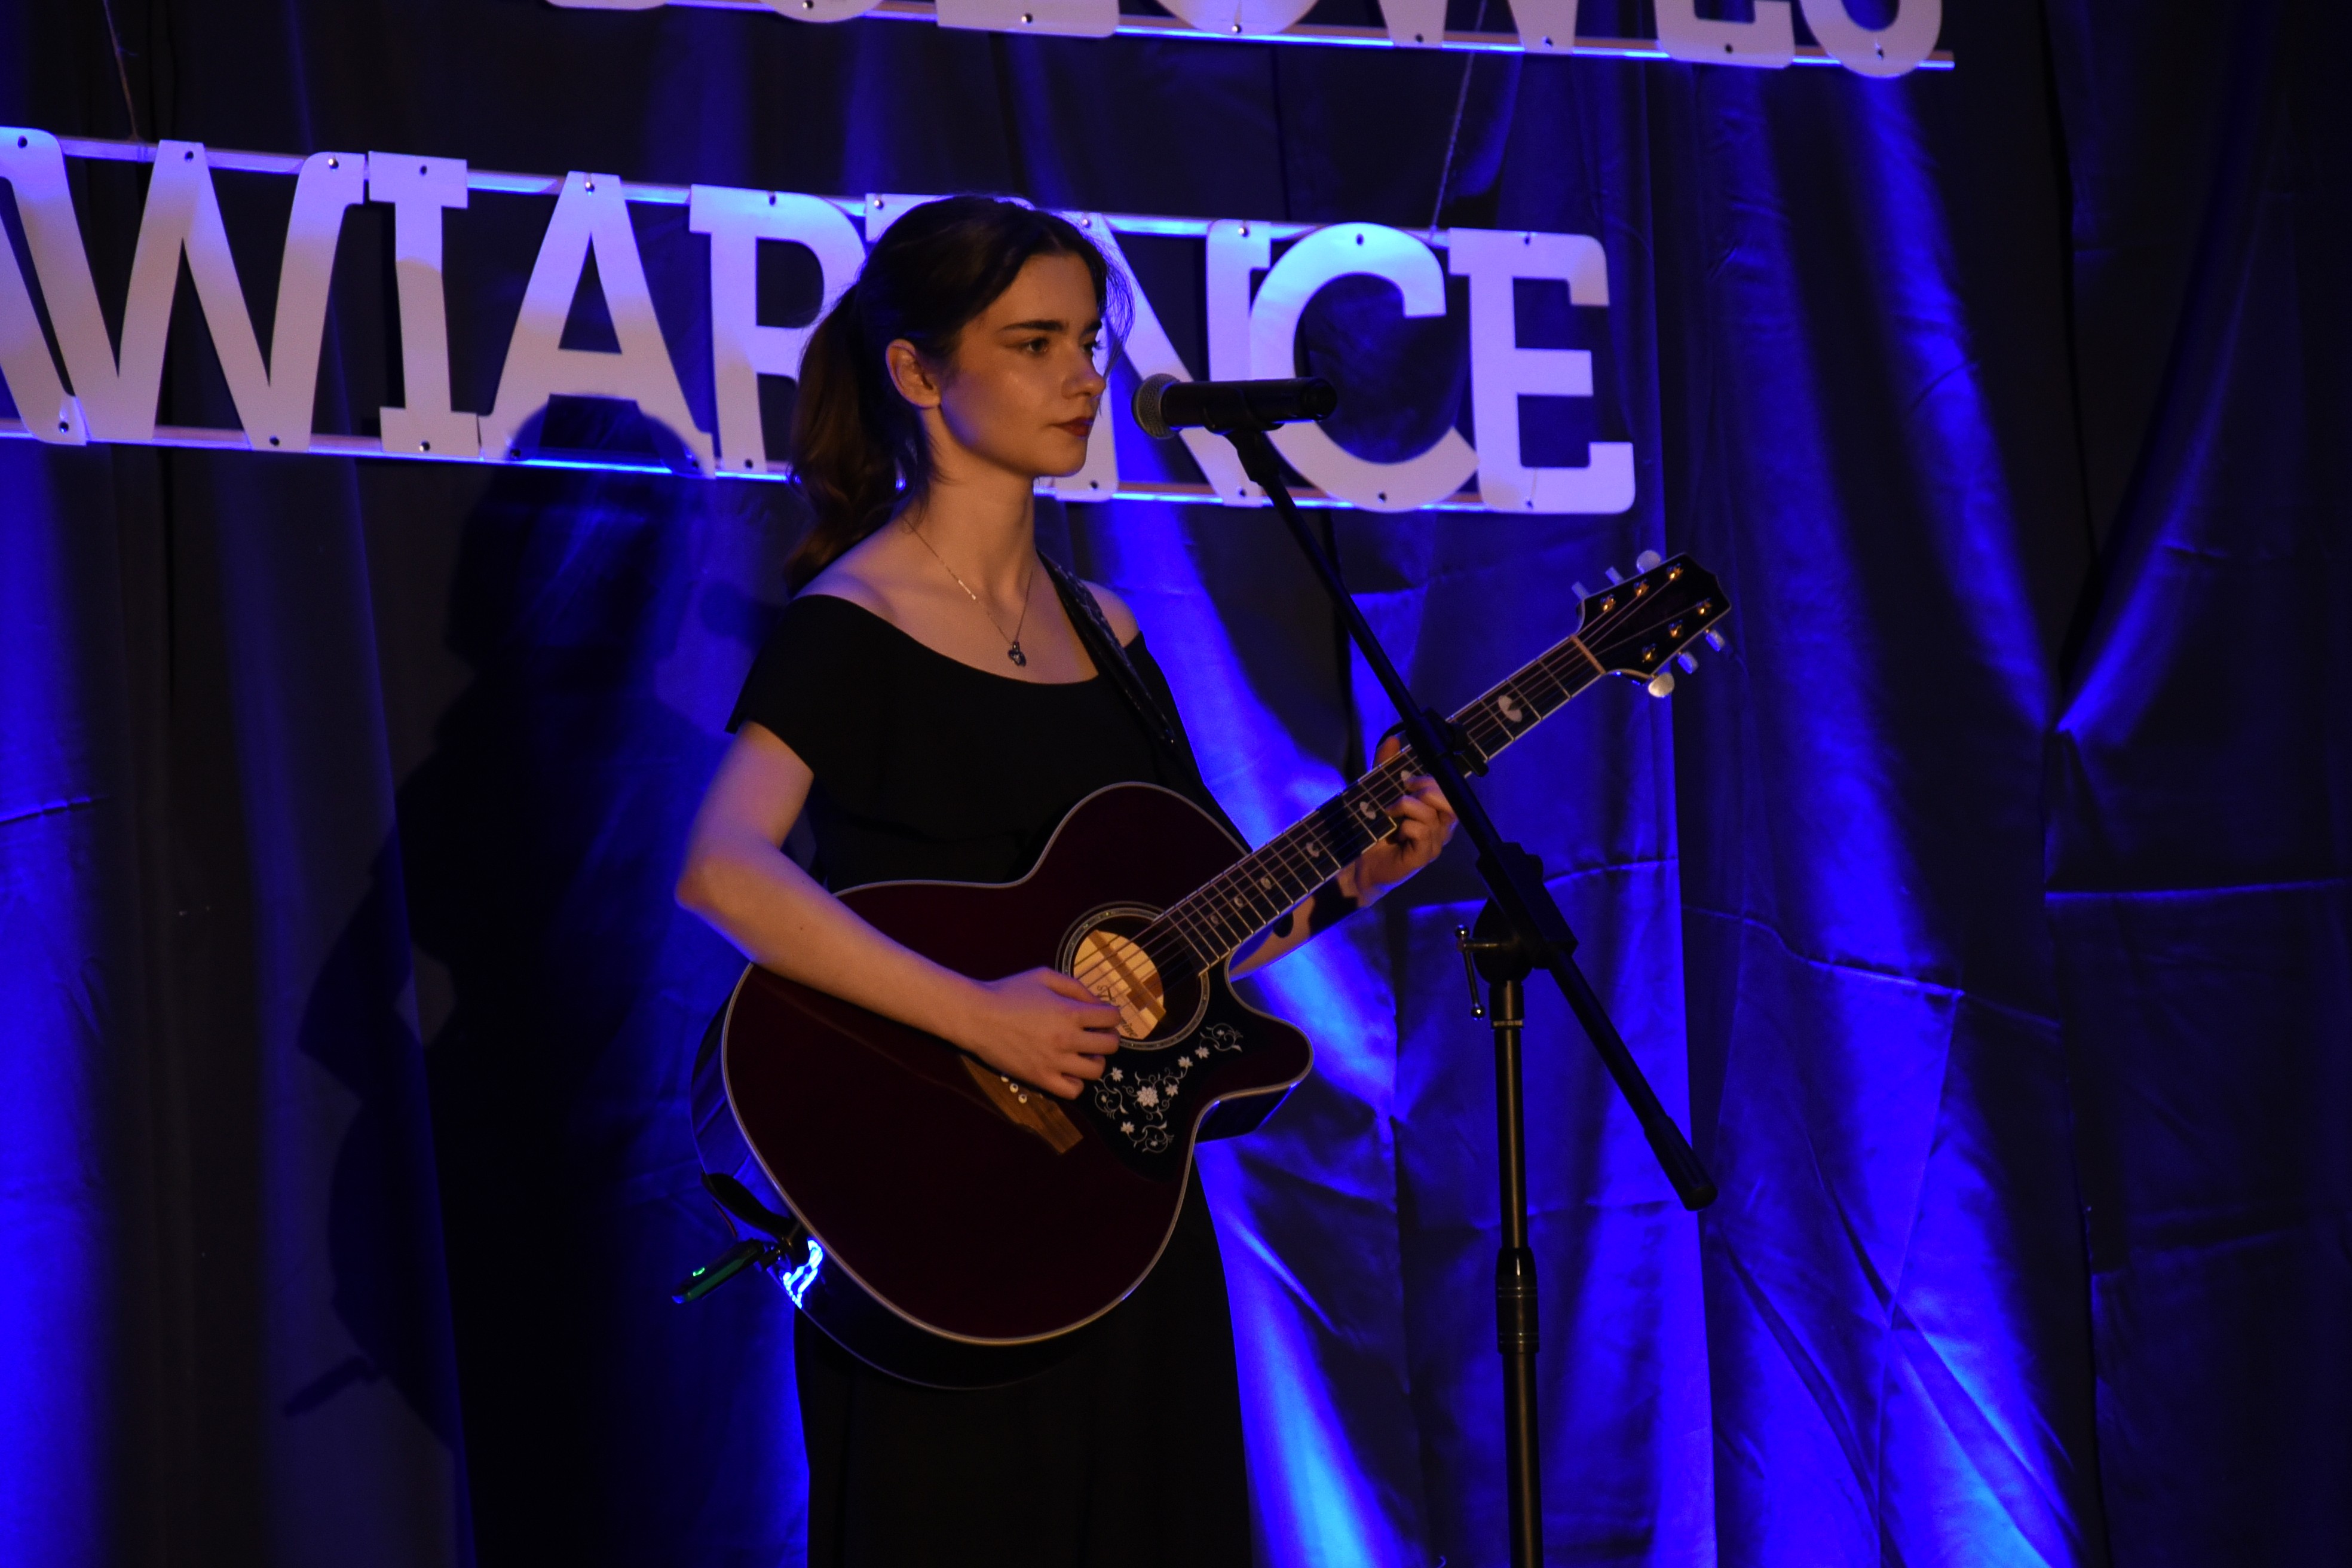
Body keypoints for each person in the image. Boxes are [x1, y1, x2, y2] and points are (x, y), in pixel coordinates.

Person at [673, 195, 1456, 1567]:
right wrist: (982, 1014)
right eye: (1034, 343)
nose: (1083, 375)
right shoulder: (852, 622)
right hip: (932, 1210)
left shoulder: (1113, 631)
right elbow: (722, 870)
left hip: (1120, 1208)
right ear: (918, 372)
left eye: (1089, 340)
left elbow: (1186, 937)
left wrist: (1369, 870)